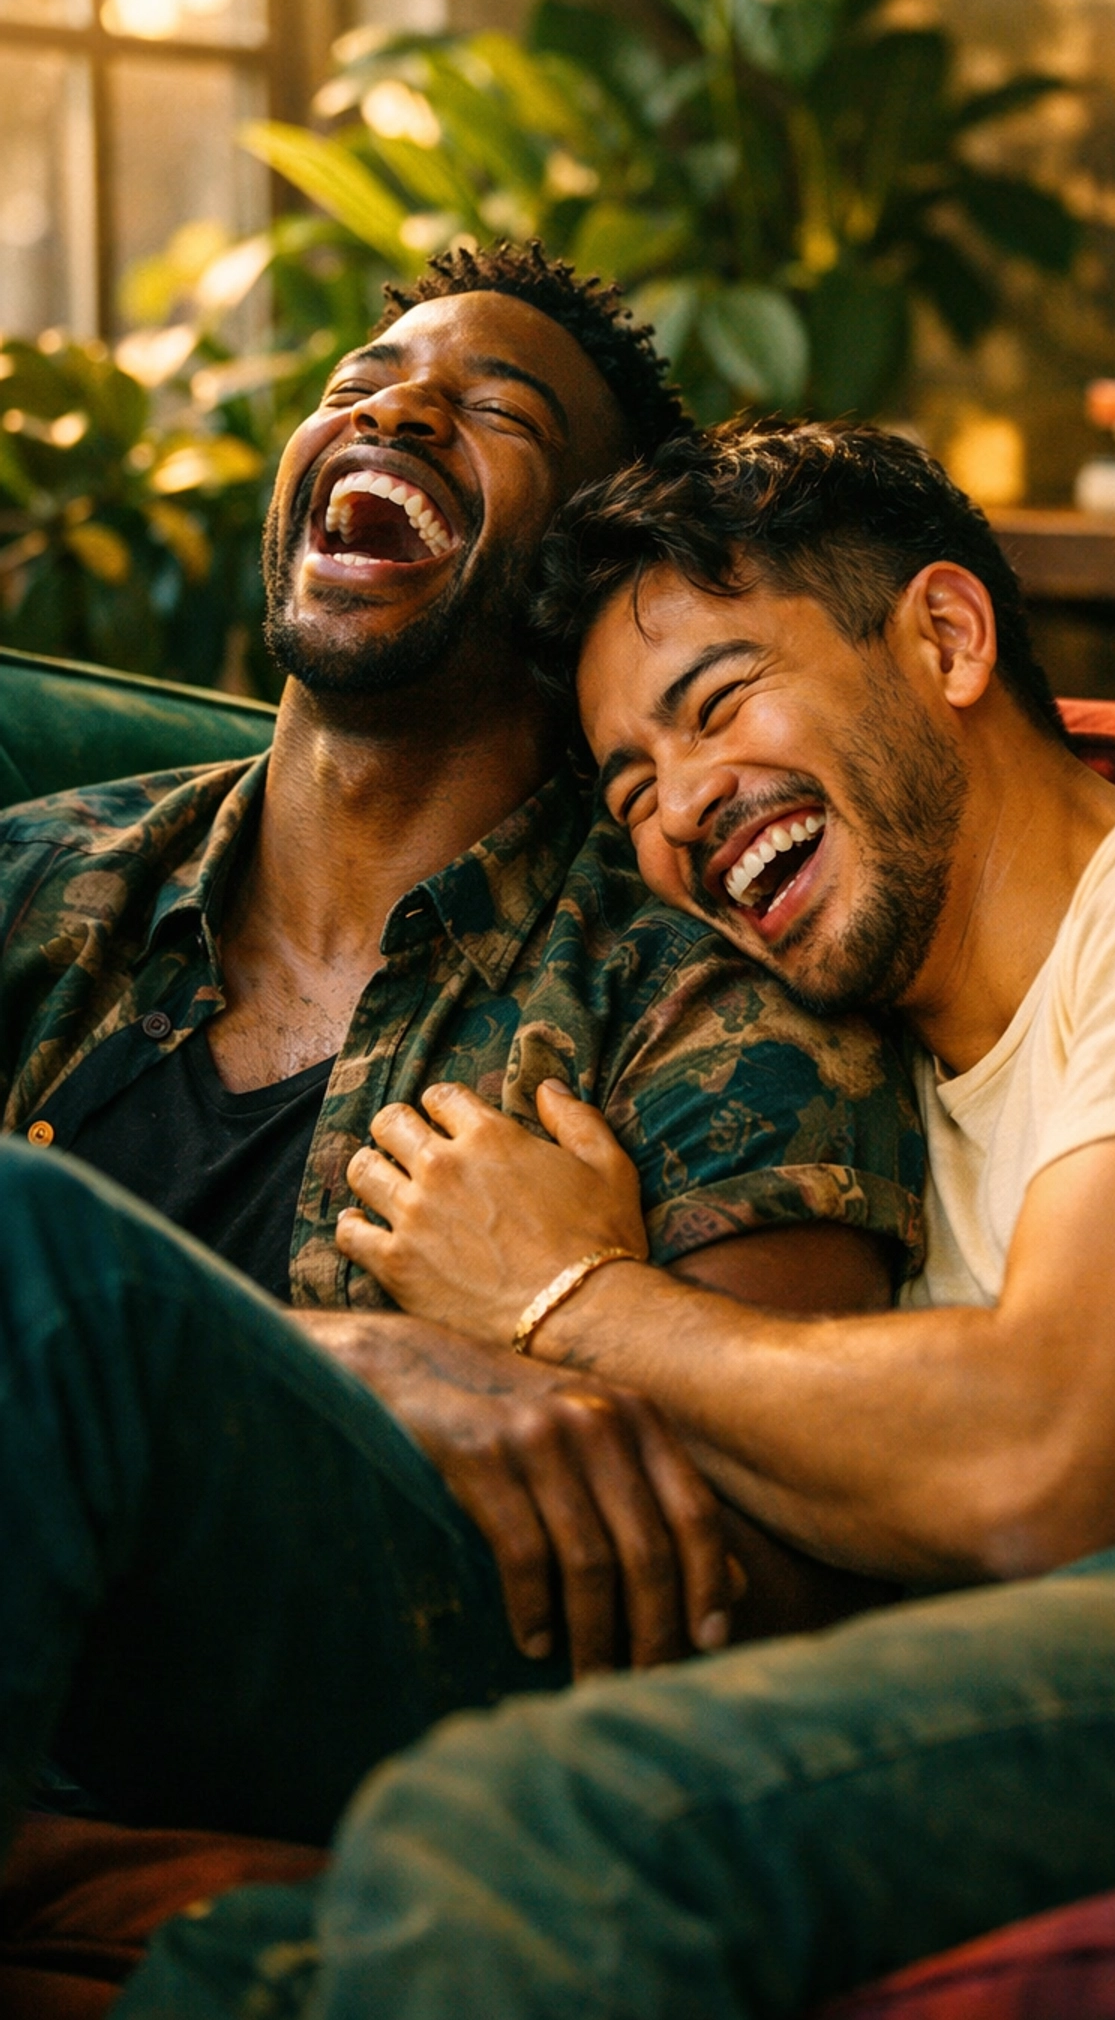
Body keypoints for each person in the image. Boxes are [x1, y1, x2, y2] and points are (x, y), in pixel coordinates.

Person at [147, 418, 1115, 2020]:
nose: (680, 809)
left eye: (717, 702)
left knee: (541, 1821)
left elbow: (1054, 1457)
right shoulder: (874, 1102)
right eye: (631, 786)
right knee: (237, 1965)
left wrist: (566, 1297)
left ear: (945, 637)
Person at [0, 295, 924, 1851]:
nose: (396, 412)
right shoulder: (37, 884)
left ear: (575, 577)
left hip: (347, 1745)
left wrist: (568, 1324)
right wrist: (369, 1368)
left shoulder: (698, 989)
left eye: (500, 411)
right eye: (360, 383)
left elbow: (775, 1579)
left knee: (32, 1243)